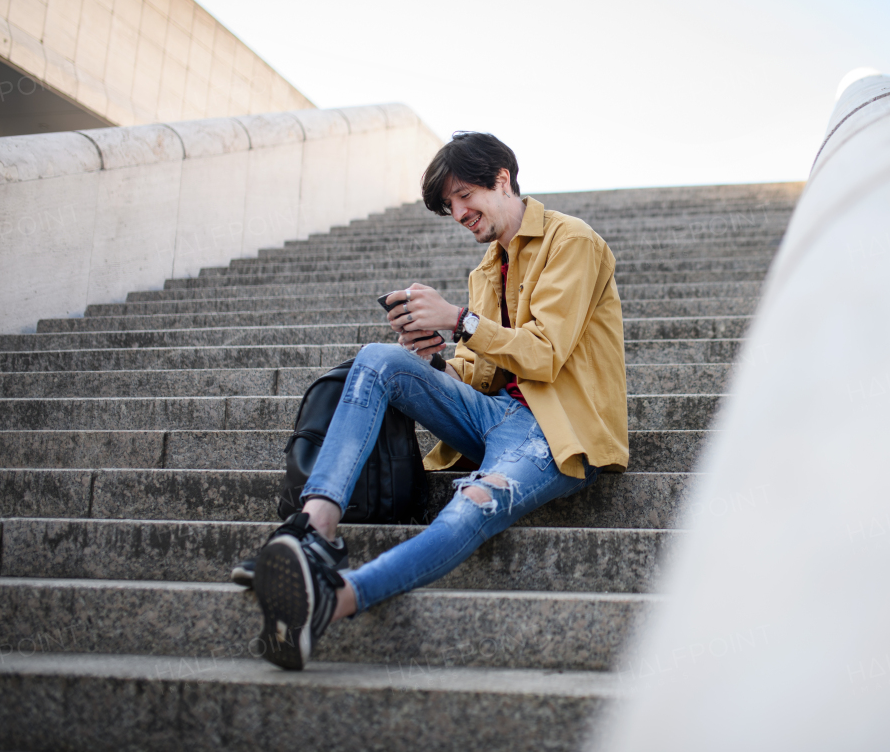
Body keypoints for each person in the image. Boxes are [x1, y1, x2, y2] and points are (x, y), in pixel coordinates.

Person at [250, 131, 629, 670]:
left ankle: (333, 602)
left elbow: (544, 355)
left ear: (503, 179)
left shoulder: (572, 241)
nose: (459, 213)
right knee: (380, 359)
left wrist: (458, 320)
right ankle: (315, 531)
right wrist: (433, 360)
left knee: (469, 507)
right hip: (492, 417)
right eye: (449, 206)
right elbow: (480, 377)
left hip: (555, 434)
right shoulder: (484, 271)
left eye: (464, 196)